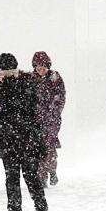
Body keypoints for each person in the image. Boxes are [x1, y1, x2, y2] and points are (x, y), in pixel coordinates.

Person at [0, 53, 48, 211]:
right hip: (16, 138)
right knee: (20, 177)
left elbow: (26, 106)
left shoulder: (22, 83)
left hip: (20, 137)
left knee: (22, 177)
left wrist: (2, 101)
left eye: (1, 71)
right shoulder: (8, 84)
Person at [31, 51, 66, 187]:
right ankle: (41, 176)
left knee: (49, 146)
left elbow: (61, 96)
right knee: (38, 148)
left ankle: (52, 171)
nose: (41, 70)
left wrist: (54, 112)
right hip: (36, 120)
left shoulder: (55, 77)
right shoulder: (31, 78)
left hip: (52, 120)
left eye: (43, 68)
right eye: (38, 68)